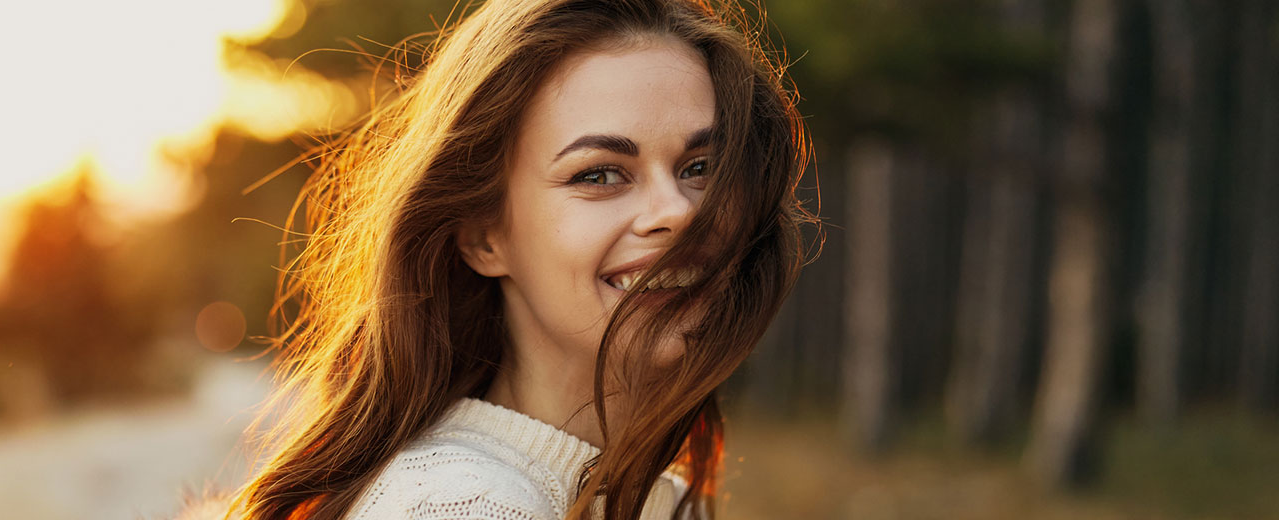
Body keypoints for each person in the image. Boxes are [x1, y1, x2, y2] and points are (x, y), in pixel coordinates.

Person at [186, 0, 815, 518]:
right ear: (485, 237)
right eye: (599, 175)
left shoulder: (656, 496)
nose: (678, 210)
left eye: (699, 167)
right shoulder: (464, 506)